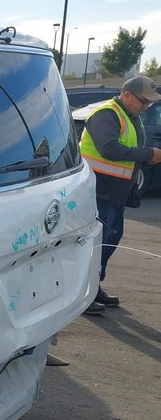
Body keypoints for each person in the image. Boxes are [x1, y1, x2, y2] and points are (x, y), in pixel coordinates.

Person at [79, 75, 161, 315]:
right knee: (97, 244)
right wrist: (148, 154)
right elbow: (109, 148)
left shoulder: (130, 116)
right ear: (127, 95)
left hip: (114, 193)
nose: (146, 107)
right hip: (98, 192)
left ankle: (94, 286)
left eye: (149, 103)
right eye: (144, 101)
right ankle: (84, 294)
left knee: (110, 239)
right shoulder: (107, 114)